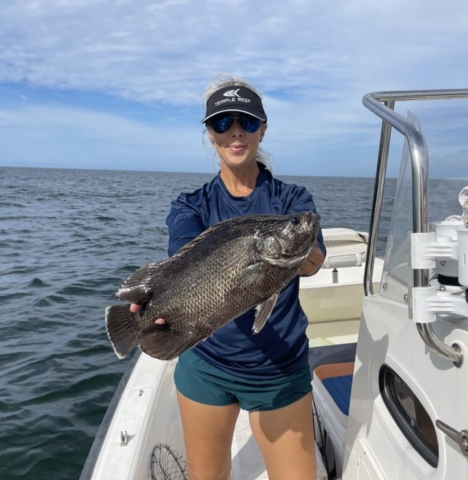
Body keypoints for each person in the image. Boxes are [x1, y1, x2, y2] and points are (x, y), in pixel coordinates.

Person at [132, 73, 325, 480]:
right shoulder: (190, 204)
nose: (235, 132)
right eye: (223, 123)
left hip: (279, 369)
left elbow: (314, 258)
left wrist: (301, 254)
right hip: (206, 363)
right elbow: (182, 257)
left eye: (247, 122)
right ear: (209, 134)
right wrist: (158, 305)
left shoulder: (291, 201)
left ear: (262, 129)